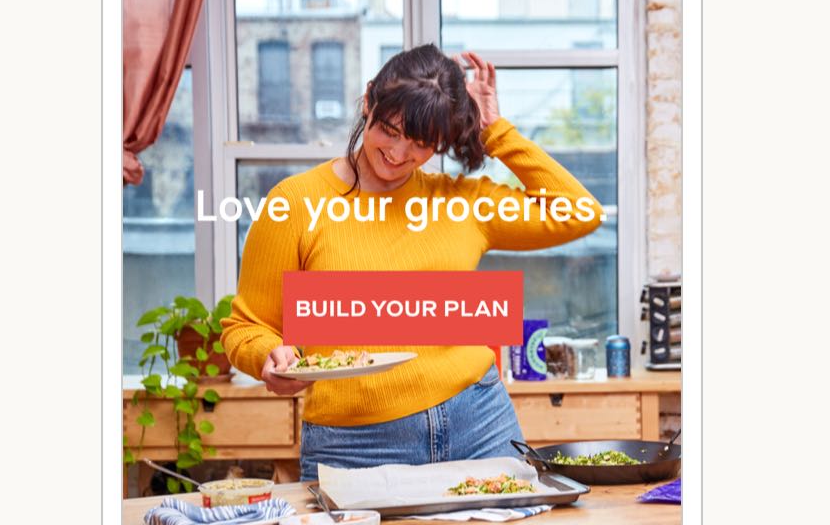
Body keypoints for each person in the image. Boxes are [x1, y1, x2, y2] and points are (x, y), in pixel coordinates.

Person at [221, 45, 604, 480]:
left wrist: (496, 130)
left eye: (422, 144)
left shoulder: (461, 202)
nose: (399, 154)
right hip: (355, 445)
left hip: (480, 422)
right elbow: (246, 327)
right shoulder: (295, 203)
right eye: (389, 130)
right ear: (369, 101)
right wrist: (267, 357)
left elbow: (579, 212)